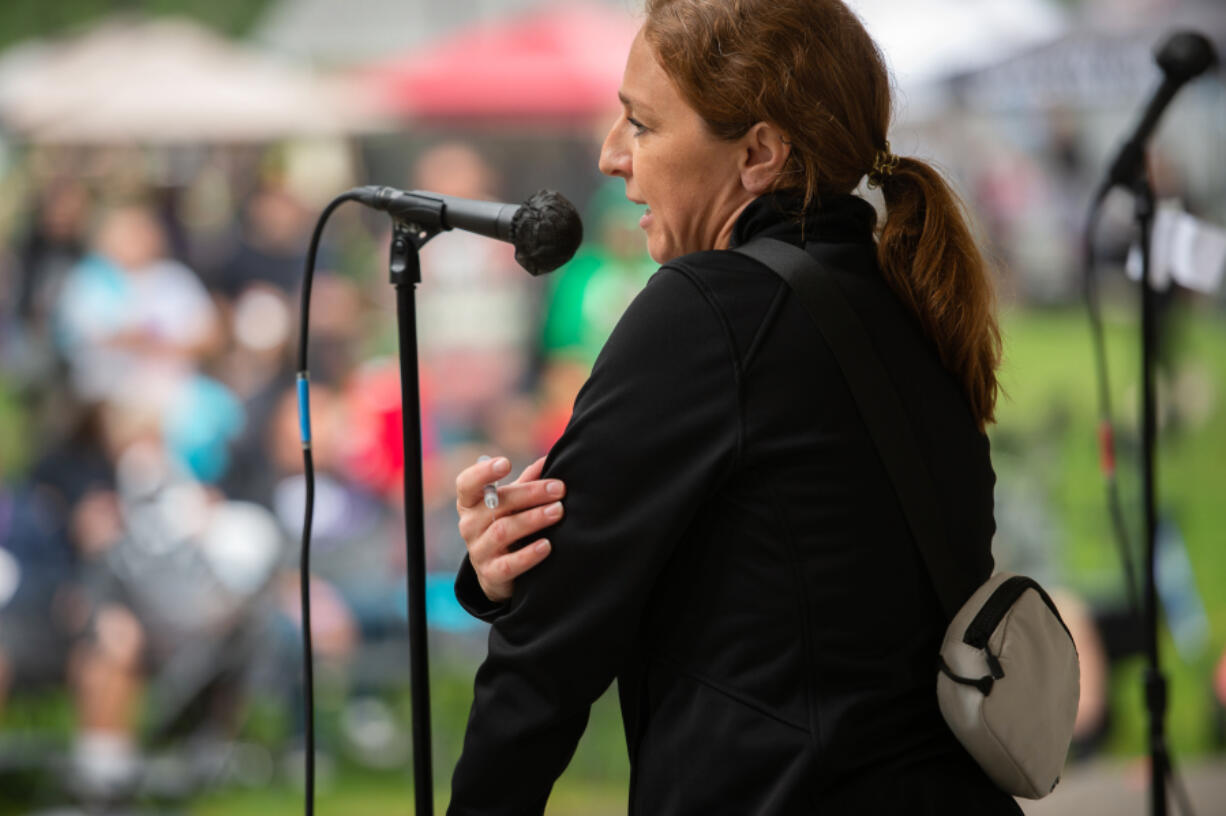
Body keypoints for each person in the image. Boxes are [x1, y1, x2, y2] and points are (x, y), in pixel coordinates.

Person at [448, 1, 1019, 813]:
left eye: (641, 125)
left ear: (758, 153)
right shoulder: (908, 299)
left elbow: (548, 657)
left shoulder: (709, 309)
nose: (613, 157)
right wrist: (512, 567)